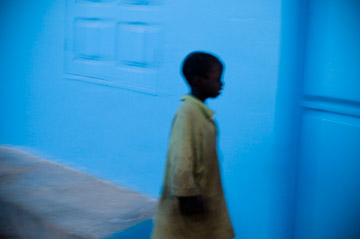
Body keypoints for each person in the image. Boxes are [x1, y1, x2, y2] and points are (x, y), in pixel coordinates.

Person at [151, 51, 235, 239]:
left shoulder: (200, 113)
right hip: (190, 201)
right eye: (217, 79)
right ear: (198, 80)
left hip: (203, 196)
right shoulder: (187, 113)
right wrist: (186, 193)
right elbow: (181, 155)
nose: (221, 84)